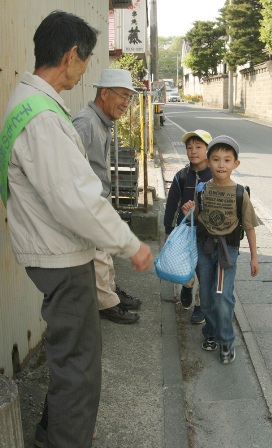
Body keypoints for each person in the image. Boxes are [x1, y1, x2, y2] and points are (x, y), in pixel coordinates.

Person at [0, 11, 152, 448]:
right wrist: (129, 244)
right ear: (71, 56)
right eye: (85, 61)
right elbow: (78, 199)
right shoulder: (44, 117)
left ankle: (54, 431)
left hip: (49, 250)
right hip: (61, 256)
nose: (84, 71)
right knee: (80, 366)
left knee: (71, 356)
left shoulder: (29, 105)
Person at [72, 69, 141, 324]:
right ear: (104, 93)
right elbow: (67, 166)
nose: (126, 103)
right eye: (123, 95)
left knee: (105, 250)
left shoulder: (100, 122)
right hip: (88, 202)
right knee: (99, 253)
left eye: (129, 97)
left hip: (98, 198)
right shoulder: (86, 123)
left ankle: (112, 294)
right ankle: (107, 303)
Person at [182, 135, 259, 364]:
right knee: (206, 298)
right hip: (204, 249)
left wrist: (254, 257)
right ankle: (211, 333)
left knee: (223, 297)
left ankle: (226, 340)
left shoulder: (240, 193)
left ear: (236, 164)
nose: (221, 164)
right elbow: (195, 218)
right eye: (216, 159)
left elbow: (250, 227)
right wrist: (190, 208)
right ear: (208, 161)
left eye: (227, 160)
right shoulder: (202, 189)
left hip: (228, 252)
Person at [164, 129, 213, 323]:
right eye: (189, 147)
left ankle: (201, 305)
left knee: (205, 269)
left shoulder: (215, 176)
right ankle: (187, 284)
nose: (193, 151)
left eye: (198, 147)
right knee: (184, 265)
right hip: (184, 231)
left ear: (208, 150)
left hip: (207, 233)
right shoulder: (182, 176)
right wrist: (168, 230)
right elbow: (171, 205)